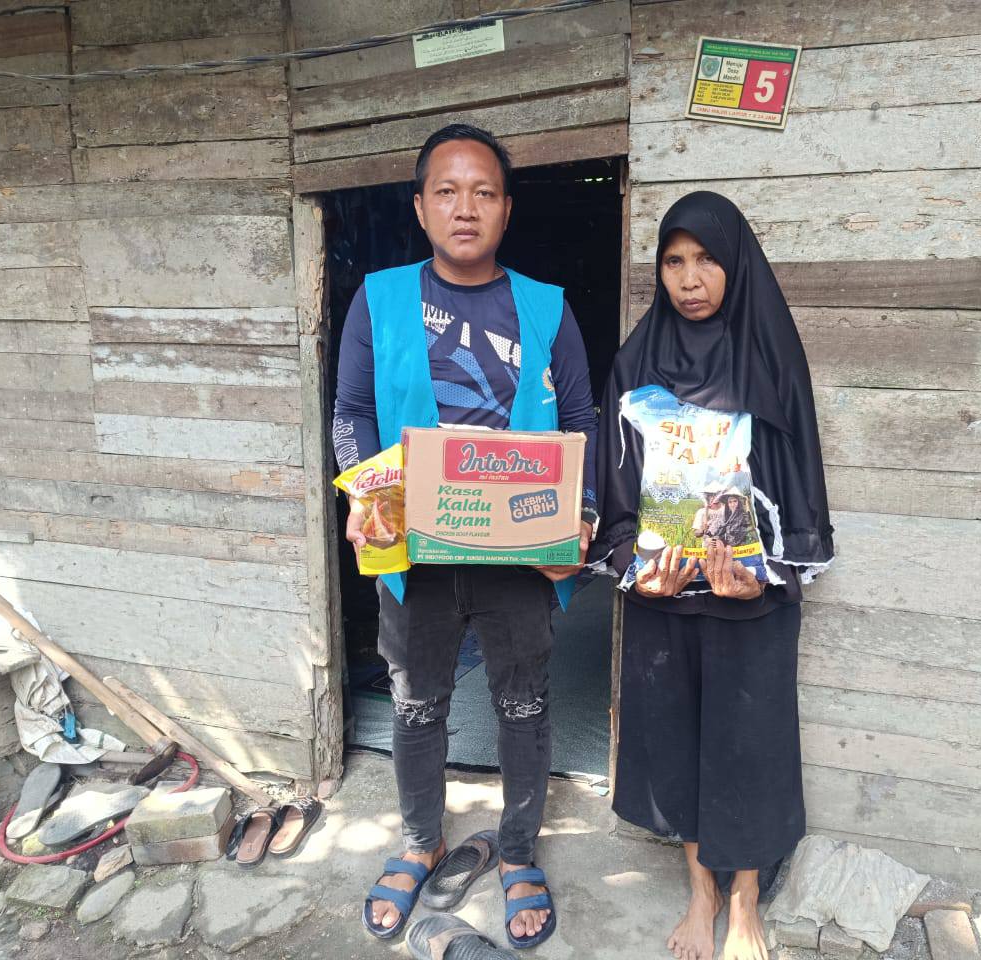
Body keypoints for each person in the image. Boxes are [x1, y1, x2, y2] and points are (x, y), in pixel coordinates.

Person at [332, 123, 598, 949]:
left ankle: (517, 851)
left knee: (523, 703)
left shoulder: (547, 309)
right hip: (414, 553)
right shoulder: (379, 299)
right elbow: (351, 413)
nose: (465, 208)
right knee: (416, 704)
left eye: (483, 192)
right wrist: (366, 493)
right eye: (446, 191)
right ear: (420, 208)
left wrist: (584, 513)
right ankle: (422, 841)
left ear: (507, 209)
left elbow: (582, 418)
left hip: (518, 555)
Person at [591, 191, 835, 960]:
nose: (689, 279)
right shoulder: (635, 364)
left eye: (706, 260)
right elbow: (613, 491)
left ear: (736, 265)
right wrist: (637, 569)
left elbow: (800, 487)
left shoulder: (771, 359)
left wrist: (766, 575)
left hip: (751, 599)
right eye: (673, 261)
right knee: (677, 741)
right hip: (664, 597)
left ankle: (746, 899)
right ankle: (701, 892)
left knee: (748, 744)